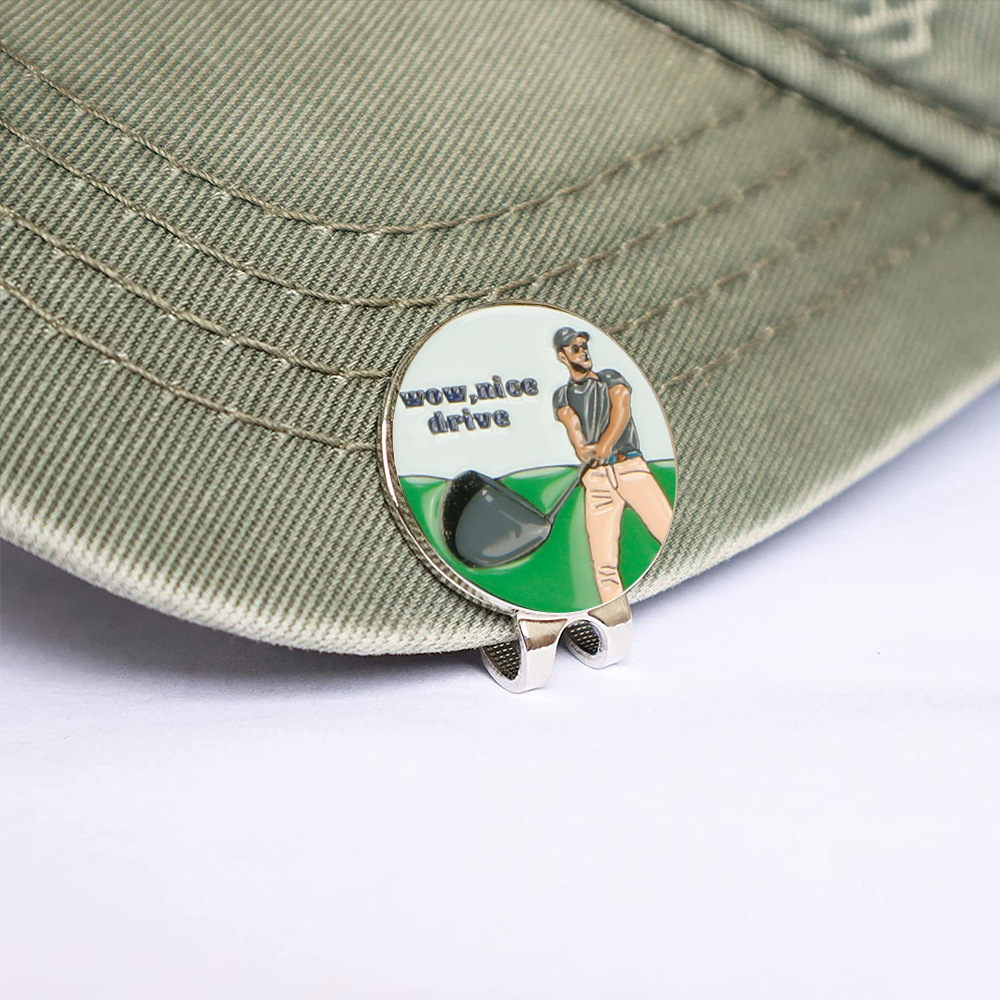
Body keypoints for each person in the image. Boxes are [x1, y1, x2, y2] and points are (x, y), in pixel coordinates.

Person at [552, 327, 673, 603]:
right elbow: (573, 428)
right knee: (603, 564)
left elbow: (621, 408)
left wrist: (605, 445)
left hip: (629, 468)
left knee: (667, 531)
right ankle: (612, 609)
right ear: (562, 356)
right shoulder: (562, 395)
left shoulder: (610, 378)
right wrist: (585, 451)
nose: (583, 352)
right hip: (596, 480)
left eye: (583, 346)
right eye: (575, 348)